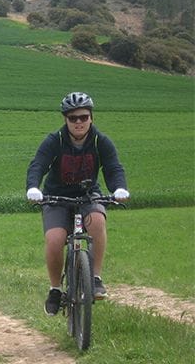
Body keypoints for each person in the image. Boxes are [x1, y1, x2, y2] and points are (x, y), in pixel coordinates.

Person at [26, 92, 129, 316]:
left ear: (91, 117)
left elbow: (113, 168)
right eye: (73, 118)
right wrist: (33, 187)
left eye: (83, 117)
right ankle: (55, 289)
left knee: (98, 221)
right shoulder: (55, 141)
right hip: (56, 196)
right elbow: (38, 165)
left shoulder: (101, 141)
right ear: (65, 120)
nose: (79, 122)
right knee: (55, 239)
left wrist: (119, 188)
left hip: (88, 194)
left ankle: (95, 278)